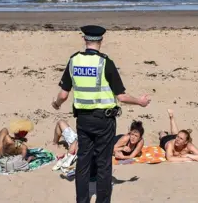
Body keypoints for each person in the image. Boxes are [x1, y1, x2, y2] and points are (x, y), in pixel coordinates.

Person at [51, 25, 151, 203]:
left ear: (84, 40)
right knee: (104, 164)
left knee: (83, 162)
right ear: (101, 41)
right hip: (104, 120)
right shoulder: (105, 62)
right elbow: (121, 96)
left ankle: (82, 200)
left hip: (83, 119)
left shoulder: (74, 61)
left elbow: (63, 94)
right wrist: (140, 102)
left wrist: (56, 104)